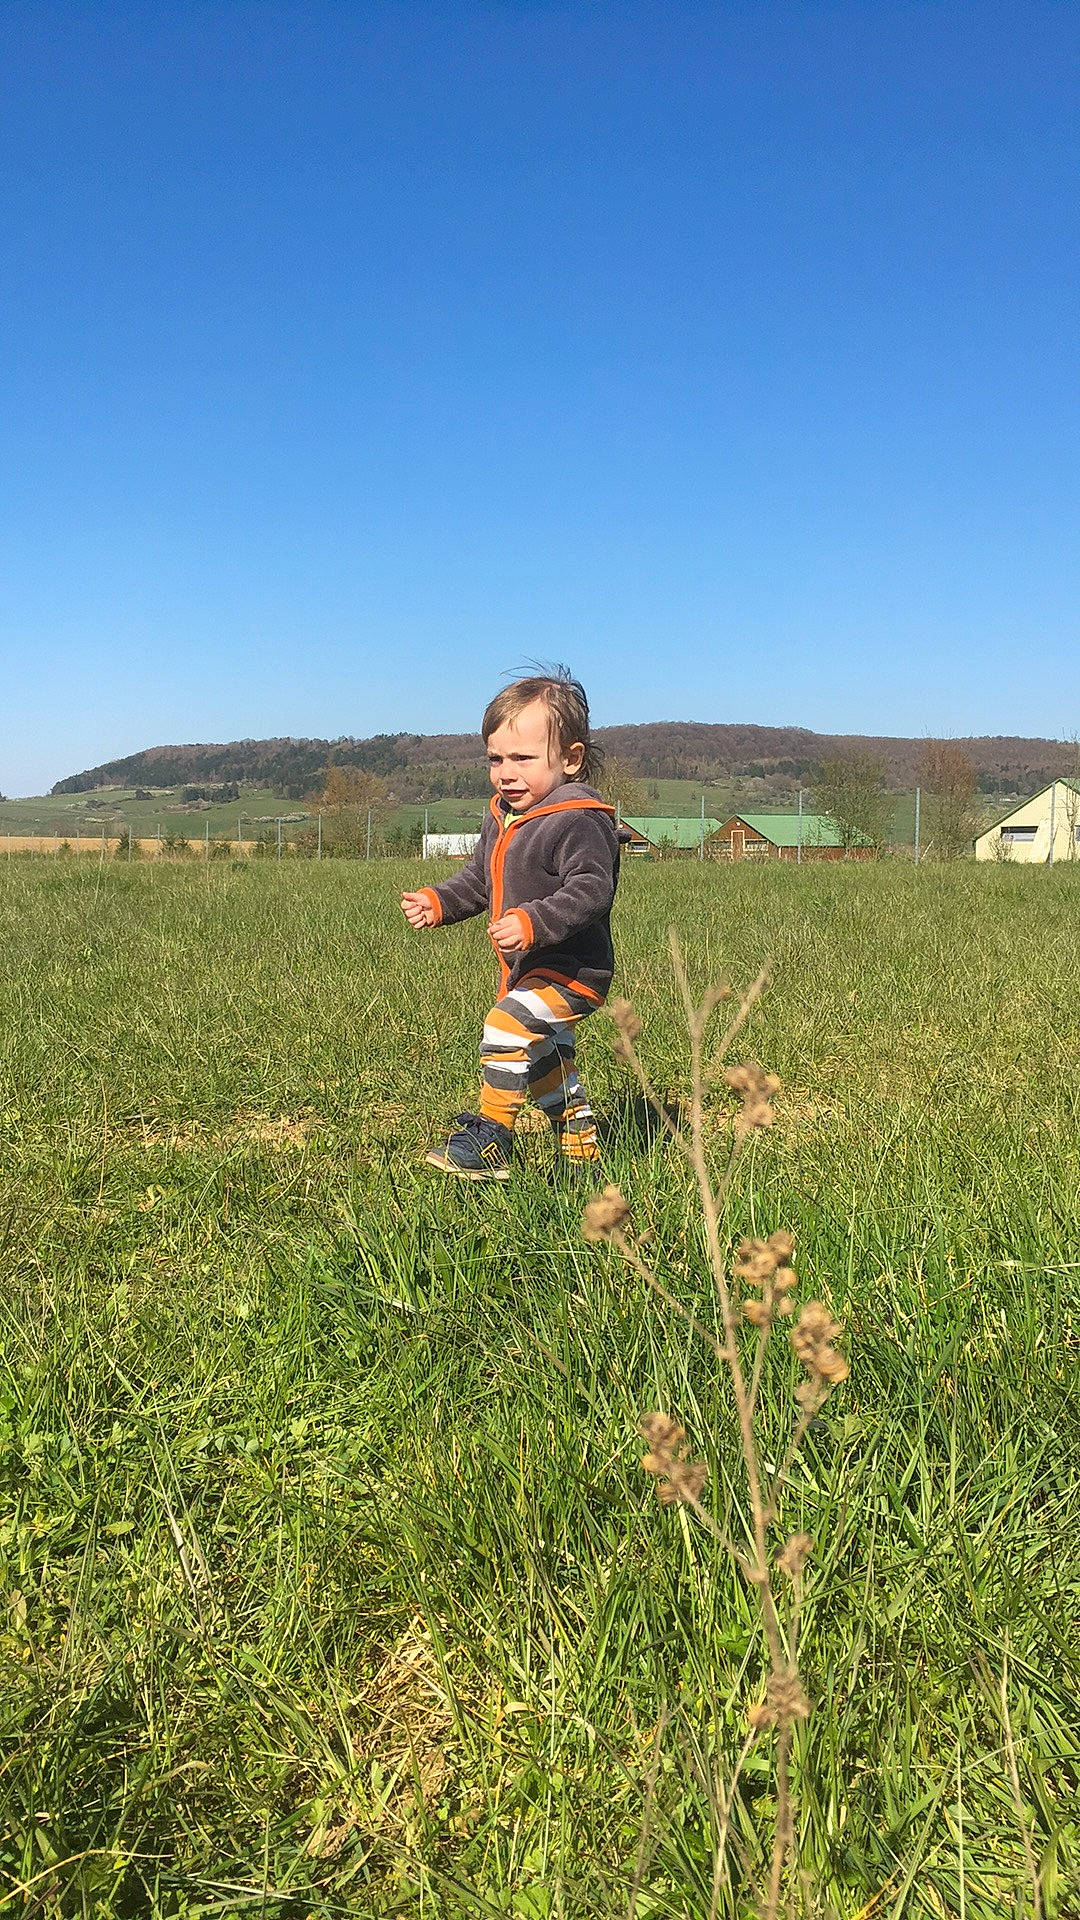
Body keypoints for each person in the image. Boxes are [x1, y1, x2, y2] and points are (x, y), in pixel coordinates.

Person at [401, 672, 620, 1180]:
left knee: (505, 1026)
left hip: (574, 971)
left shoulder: (578, 820)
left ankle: (493, 1135)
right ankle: (584, 1163)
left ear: (570, 758)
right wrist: (440, 902)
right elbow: (480, 879)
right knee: (547, 1066)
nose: (506, 772)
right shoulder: (501, 816)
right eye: (495, 758)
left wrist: (532, 921)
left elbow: (591, 890)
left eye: (522, 758)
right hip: (527, 969)